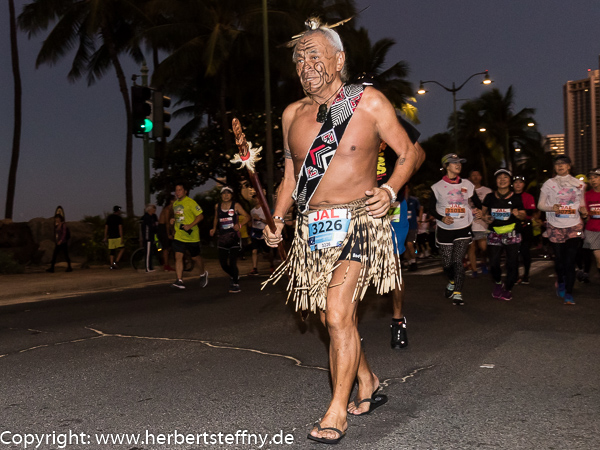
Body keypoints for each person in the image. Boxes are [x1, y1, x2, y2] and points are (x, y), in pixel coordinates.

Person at [262, 22, 424, 445]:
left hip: (358, 221)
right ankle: (366, 378)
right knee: (330, 316)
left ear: (339, 60)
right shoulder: (292, 115)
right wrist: (278, 218)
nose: (305, 64)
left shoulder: (368, 103)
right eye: (298, 57)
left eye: (315, 54)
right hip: (312, 230)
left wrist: (390, 191)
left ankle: (337, 411)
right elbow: (292, 175)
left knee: (337, 314)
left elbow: (412, 152)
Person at [430, 154, 482, 306]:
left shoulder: (467, 184)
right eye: (454, 163)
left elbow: (477, 202)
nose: (458, 165)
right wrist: (441, 218)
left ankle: (458, 293)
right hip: (445, 228)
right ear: (446, 166)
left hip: (463, 227)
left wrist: (478, 210)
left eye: (459, 162)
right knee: (447, 263)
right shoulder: (437, 187)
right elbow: (430, 209)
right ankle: (452, 281)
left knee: (457, 260)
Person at [537, 155, 587, 305]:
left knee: (570, 261)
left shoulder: (579, 184)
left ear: (569, 166)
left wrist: (584, 211)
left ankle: (569, 294)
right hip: (555, 225)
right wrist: (551, 208)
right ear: (554, 167)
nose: (560, 166)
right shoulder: (548, 184)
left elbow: (581, 203)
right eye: (557, 164)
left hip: (573, 225)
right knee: (559, 261)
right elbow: (540, 205)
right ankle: (561, 280)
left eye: (563, 164)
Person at [481, 169, 526, 301]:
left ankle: (508, 288)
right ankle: (498, 283)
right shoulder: (489, 197)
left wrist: (519, 214)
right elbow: (484, 214)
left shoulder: (516, 197)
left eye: (505, 177)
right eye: (499, 177)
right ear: (495, 181)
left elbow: (523, 214)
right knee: (494, 263)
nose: (502, 180)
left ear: (509, 181)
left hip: (512, 233)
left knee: (512, 263)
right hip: (495, 233)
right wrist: (486, 218)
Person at [209, 186, 249, 293]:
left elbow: (247, 216)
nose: (226, 195)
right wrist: (213, 228)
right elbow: (216, 218)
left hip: (234, 238)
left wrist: (239, 225)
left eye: (228, 193)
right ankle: (234, 275)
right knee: (223, 264)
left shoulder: (235, 205)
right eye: (224, 193)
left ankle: (235, 283)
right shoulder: (217, 206)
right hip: (222, 238)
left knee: (232, 262)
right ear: (221, 195)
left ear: (231, 195)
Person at [170, 183, 208, 289]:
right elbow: (178, 217)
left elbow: (200, 216)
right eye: (176, 190)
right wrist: (173, 221)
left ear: (185, 191)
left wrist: (190, 225)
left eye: (180, 190)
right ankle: (179, 280)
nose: (177, 192)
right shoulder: (175, 204)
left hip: (192, 236)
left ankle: (203, 273)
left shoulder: (191, 202)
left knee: (195, 257)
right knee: (178, 257)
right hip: (179, 235)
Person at [467, 170, 492, 277]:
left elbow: (491, 206)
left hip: (483, 223)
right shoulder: (465, 191)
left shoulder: (487, 191)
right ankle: (474, 269)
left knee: (484, 247)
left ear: (481, 177)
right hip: (469, 223)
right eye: (473, 175)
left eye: (477, 175)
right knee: (471, 247)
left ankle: (483, 262)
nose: (475, 177)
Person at [512, 175, 537, 284]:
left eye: (520, 182)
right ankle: (515, 275)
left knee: (525, 252)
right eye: (516, 182)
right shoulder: (509, 196)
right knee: (513, 253)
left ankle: (526, 274)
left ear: (524, 184)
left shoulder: (528, 196)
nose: (518, 184)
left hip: (525, 227)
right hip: (512, 227)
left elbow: (531, 212)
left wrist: (519, 214)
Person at [248, 195, 274, 276]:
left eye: (257, 198)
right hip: (255, 232)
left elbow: (270, 222)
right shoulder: (252, 211)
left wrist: (260, 219)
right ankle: (254, 268)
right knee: (254, 251)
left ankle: (271, 265)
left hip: (264, 232)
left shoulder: (265, 210)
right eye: (254, 199)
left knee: (267, 252)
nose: (256, 200)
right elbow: (251, 222)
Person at [582, 167, 600, 279]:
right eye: (591, 178)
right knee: (599, 258)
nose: (593, 180)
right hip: (592, 230)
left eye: (596, 177)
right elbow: (585, 217)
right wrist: (584, 215)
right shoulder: (586, 195)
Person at [404, 186, 421, 271]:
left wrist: (419, 220)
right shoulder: (398, 201)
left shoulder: (414, 200)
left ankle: (414, 262)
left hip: (412, 226)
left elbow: (421, 208)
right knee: (406, 247)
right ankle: (410, 262)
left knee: (410, 244)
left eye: (406, 188)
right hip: (402, 227)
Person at [158, 196, 175, 272]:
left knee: (167, 247)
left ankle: (166, 263)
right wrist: (169, 234)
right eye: (175, 199)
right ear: (171, 201)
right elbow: (167, 223)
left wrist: (173, 231)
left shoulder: (171, 210)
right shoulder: (167, 209)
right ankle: (166, 265)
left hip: (164, 228)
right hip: (162, 228)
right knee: (165, 247)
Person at [141, 204, 159, 273]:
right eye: (153, 209)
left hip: (151, 236)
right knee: (148, 253)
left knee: (150, 252)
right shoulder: (147, 217)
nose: (154, 211)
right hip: (148, 237)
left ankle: (150, 267)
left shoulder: (152, 217)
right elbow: (148, 228)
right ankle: (148, 268)